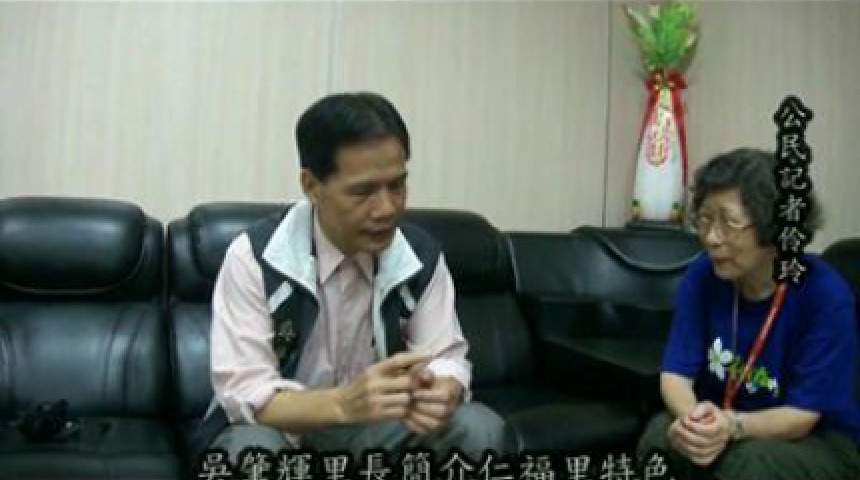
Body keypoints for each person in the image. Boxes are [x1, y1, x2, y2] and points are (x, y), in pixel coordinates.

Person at [194, 92, 507, 465]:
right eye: (363, 192)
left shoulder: (418, 256)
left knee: (477, 428)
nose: (387, 209)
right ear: (312, 186)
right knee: (251, 450)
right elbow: (245, 391)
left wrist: (443, 388)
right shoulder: (256, 257)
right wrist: (342, 404)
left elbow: (446, 357)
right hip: (284, 431)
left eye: (397, 186)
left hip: (379, 432)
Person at [636, 148, 860, 479]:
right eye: (705, 220)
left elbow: (801, 416)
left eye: (729, 223)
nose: (712, 238)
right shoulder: (702, 275)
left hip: (818, 439)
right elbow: (675, 375)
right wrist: (693, 423)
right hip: (725, 417)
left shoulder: (824, 294)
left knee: (746, 465)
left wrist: (730, 427)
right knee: (661, 437)